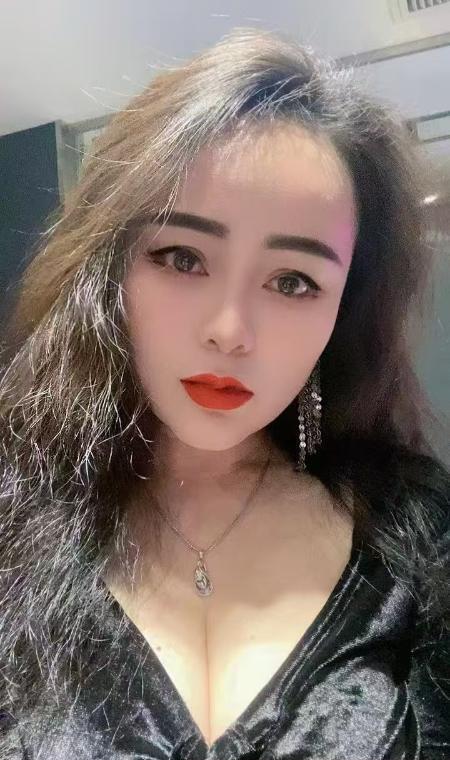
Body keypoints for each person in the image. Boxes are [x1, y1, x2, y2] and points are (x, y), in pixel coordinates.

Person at [0, 26, 449, 760]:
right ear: (108, 271)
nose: (230, 331)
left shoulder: (421, 536)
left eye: (292, 281)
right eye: (183, 257)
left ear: (344, 310)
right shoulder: (14, 519)